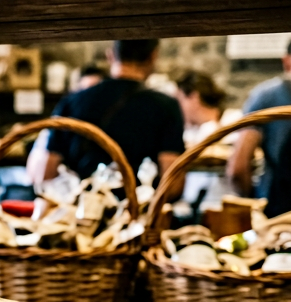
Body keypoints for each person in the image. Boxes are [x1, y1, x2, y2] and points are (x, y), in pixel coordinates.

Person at [30, 39, 185, 196]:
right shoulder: (166, 106)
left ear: (110, 55)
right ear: (153, 56)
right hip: (136, 213)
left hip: (80, 212)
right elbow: (172, 184)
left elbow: (46, 174)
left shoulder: (72, 102)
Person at [229, 34, 291, 217]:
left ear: (286, 61)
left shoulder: (266, 96)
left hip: (281, 208)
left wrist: (252, 202)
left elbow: (237, 168)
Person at [175, 72, 228, 144]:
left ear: (194, 97)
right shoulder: (192, 131)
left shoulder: (223, 126)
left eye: (179, 99)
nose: (176, 106)